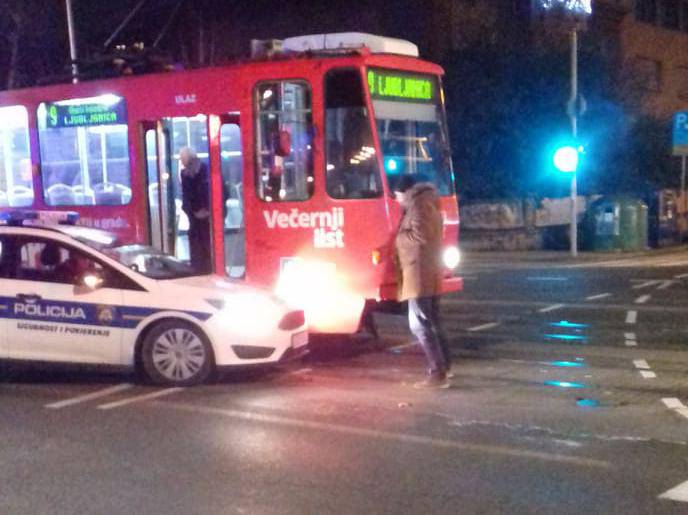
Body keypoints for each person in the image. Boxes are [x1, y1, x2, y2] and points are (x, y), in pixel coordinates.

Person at [394, 174, 452, 389]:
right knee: (433, 322)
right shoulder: (427, 203)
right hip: (427, 272)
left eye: (397, 195)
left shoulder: (420, 206)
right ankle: (444, 367)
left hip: (420, 274)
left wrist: (397, 239)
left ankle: (438, 374)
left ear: (405, 192)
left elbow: (420, 236)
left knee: (420, 325)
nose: (397, 199)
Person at [179, 147, 212, 274]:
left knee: (198, 242)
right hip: (202, 212)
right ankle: (205, 266)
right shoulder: (206, 168)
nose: (181, 161)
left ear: (187, 157)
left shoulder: (187, 173)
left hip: (197, 213)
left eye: (182, 158)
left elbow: (190, 194)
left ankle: (199, 268)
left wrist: (194, 210)